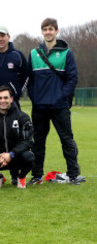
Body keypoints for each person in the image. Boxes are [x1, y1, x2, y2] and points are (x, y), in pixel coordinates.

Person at [26, 18, 81, 185]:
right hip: (39, 106)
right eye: (45, 29)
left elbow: (72, 79)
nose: (48, 32)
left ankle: (73, 175)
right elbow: (29, 79)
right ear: (42, 32)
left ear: (57, 31)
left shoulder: (66, 53)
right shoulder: (34, 54)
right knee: (38, 143)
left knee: (67, 140)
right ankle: (37, 176)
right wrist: (34, 97)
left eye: (51, 29)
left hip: (59, 106)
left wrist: (62, 96)